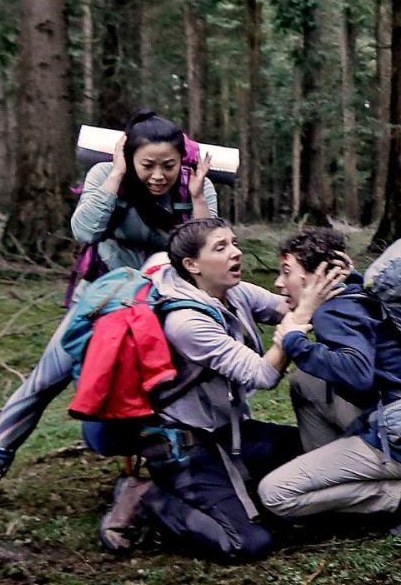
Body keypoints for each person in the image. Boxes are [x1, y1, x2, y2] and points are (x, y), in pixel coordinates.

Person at [0, 109, 217, 505]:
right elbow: (84, 230)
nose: (158, 175)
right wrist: (115, 177)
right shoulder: (105, 176)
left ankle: (177, 469)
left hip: (164, 303)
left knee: (170, 388)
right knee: (46, 378)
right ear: (128, 157)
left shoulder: (196, 187)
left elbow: (207, 251)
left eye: (168, 166)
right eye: (147, 165)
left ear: (182, 161)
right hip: (100, 298)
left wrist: (196, 200)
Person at [91, 218, 321, 562]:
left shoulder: (233, 292)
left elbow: (285, 306)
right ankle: (146, 497)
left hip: (229, 433)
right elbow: (263, 374)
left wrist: (321, 284)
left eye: (234, 243)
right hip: (186, 450)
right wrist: (299, 321)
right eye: (221, 247)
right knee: (247, 543)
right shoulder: (186, 322)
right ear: (192, 265)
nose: (236, 253)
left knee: (314, 453)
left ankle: (242, 487)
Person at [256, 227, 401, 535]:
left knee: (274, 494)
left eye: (287, 272)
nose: (279, 282)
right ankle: (340, 472)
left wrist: (295, 342)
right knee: (304, 382)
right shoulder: (356, 294)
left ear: (314, 276)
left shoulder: (335, 313)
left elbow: (357, 374)